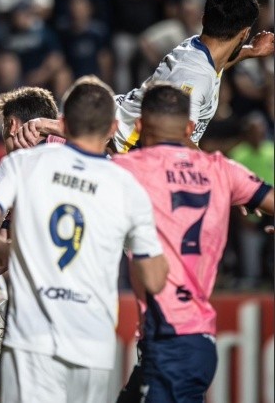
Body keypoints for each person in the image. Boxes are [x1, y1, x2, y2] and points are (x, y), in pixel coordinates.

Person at [0, 76, 169, 403]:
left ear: (64, 121)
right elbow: (155, 275)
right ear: (113, 126)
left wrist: (12, 252)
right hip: (92, 338)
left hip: (31, 329)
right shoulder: (127, 184)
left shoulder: (24, 163)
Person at [112, 83, 274, 403]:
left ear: (141, 125)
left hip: (171, 337)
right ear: (189, 128)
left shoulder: (127, 170)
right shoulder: (222, 169)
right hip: (192, 338)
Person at [13, 0, 275, 151]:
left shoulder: (197, 46)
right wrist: (223, 178)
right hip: (118, 146)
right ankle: (52, 128)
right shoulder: (195, 76)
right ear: (243, 32)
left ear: (205, 19)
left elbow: (219, 61)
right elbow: (176, 138)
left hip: (116, 126)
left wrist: (252, 51)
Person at [0, 86, 61, 403]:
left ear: (13, 126)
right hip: (69, 312)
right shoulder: (75, 160)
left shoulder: (21, 169)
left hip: (31, 311)